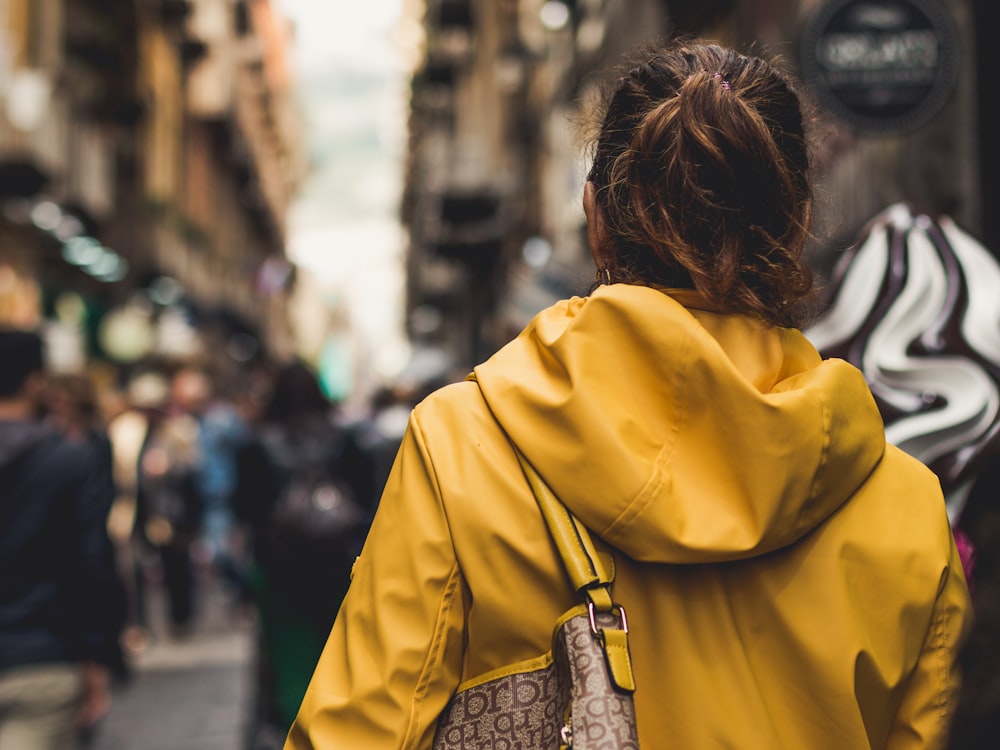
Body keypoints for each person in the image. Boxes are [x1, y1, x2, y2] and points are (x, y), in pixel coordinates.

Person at [285, 41, 972, 749]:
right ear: (797, 222)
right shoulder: (908, 506)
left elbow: (355, 732)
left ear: (596, 218)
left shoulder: (462, 445)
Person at [234, 361, 374, 746]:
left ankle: (301, 737)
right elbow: (369, 501)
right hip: (338, 568)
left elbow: (245, 509)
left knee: (290, 659)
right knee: (340, 654)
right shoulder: (345, 438)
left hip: (280, 570)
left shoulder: (256, 442)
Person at [0, 329, 125, 749]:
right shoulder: (67, 459)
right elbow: (90, 562)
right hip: (41, 661)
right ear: (36, 380)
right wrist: (98, 659)